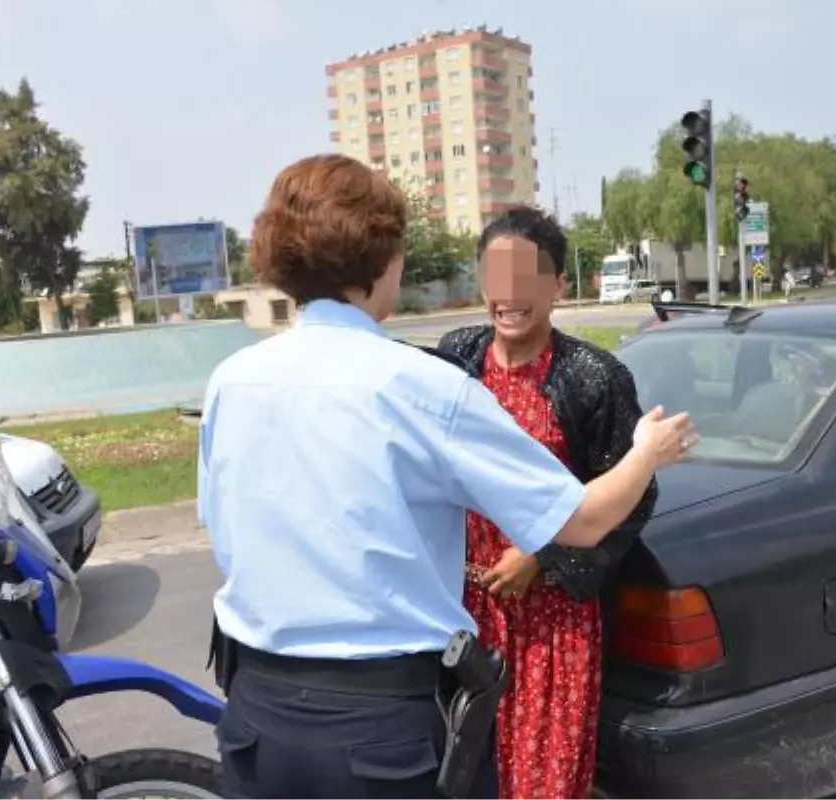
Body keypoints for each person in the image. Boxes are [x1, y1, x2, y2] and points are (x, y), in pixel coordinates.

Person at [198, 154, 697, 800]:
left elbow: (223, 528)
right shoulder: (427, 384)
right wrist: (648, 451)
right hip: (378, 729)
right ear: (385, 260)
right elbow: (584, 519)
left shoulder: (233, 381)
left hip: (257, 717)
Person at [437, 206, 655, 800]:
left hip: (550, 629)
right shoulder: (456, 359)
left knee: (541, 785)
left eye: (527, 278)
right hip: (463, 618)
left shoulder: (593, 378)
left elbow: (633, 497)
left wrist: (542, 555)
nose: (509, 296)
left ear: (559, 285)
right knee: (461, 778)